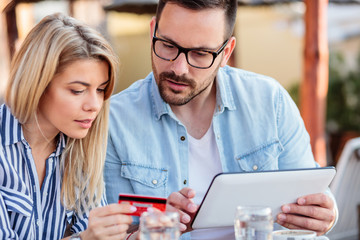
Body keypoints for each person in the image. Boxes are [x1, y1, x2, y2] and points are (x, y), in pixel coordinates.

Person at [104, 0, 337, 239]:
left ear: (226, 53)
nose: (179, 68)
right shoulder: (114, 121)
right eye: (168, 45)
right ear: (153, 32)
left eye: (200, 53)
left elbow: (313, 194)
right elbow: (109, 231)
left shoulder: (270, 101)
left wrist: (325, 215)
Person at [0, 13, 136, 239]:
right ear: (38, 84)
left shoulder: (80, 150)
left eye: (101, 89)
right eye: (78, 90)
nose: (94, 105)